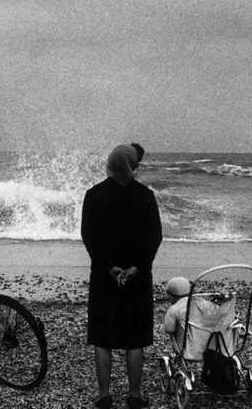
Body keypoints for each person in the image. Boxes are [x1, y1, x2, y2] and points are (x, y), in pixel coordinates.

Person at [81, 144, 163, 409]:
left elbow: (89, 235)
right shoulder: (145, 196)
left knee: (102, 337)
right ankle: (134, 394)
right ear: (132, 165)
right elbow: (154, 236)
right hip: (137, 277)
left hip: (105, 276)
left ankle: (104, 395)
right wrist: (137, 267)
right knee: (135, 337)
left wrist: (108, 267)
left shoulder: (93, 196)